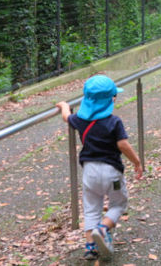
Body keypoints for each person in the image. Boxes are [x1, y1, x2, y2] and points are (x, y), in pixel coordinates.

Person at [56, 75, 143, 260]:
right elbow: (123, 145)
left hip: (89, 172)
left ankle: (90, 247)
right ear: (111, 99)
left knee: (91, 208)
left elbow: (66, 117)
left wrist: (64, 106)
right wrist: (136, 162)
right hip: (112, 172)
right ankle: (103, 229)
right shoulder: (114, 122)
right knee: (119, 204)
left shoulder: (80, 120)